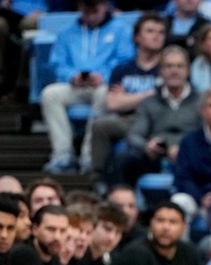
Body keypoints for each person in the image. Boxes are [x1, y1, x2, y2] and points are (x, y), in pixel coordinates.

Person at [40, 0, 134, 173]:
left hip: (104, 84)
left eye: (95, 10)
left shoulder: (121, 30)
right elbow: (58, 63)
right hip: (76, 85)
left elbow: (124, 60)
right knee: (49, 93)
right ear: (80, 8)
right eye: (86, 10)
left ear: (105, 6)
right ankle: (63, 155)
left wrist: (103, 75)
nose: (90, 15)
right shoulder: (66, 33)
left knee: (103, 93)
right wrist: (72, 76)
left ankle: (89, 157)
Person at [90, 13, 167, 180]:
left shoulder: (167, 68)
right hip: (127, 120)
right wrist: (150, 93)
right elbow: (113, 103)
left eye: (161, 32)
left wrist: (128, 98)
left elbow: (167, 99)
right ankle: (98, 179)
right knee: (101, 125)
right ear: (137, 37)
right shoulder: (122, 69)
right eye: (150, 31)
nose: (156, 36)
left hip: (157, 120)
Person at [111, 46, 201, 186]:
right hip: (155, 156)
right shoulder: (149, 102)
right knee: (123, 158)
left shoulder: (200, 101)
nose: (174, 71)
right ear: (160, 72)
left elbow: (206, 135)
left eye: (179, 66)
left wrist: (185, 149)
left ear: (188, 71)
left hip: (191, 157)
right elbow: (134, 134)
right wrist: (147, 146)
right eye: (169, 66)